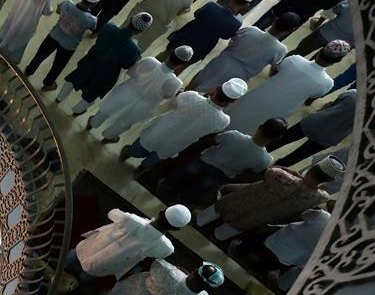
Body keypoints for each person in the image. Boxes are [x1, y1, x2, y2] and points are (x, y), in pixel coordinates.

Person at [199, 157, 342, 239]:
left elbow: (272, 169)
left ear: (312, 167)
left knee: (215, 210)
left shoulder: (280, 175)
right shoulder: (320, 197)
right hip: (258, 217)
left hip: (239, 201)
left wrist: (293, 173)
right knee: (231, 229)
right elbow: (310, 189)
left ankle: (198, 222)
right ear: (328, 181)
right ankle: (215, 238)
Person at [121, 79, 247, 169]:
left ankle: (127, 155)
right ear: (233, 102)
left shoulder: (192, 96)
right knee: (157, 158)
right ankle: (141, 169)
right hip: (177, 143)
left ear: (217, 88)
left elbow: (177, 100)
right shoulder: (223, 121)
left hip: (160, 131)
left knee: (141, 147)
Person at [156, 118, 287, 204]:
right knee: (200, 188)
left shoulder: (234, 135)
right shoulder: (265, 159)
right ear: (277, 138)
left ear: (260, 126)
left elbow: (212, 141)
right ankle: (180, 200)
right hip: (222, 174)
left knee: (184, 172)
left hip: (205, 160)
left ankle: (165, 186)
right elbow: (249, 175)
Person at [225, 42, 343, 134]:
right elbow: (311, 97)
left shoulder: (295, 59)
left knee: (234, 116)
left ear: (320, 51)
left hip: (261, 95)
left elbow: (276, 70)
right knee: (251, 129)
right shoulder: (327, 83)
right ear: (337, 61)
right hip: (280, 110)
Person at [66, 204, 191, 282]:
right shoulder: (166, 248)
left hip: (91, 247)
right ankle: (73, 283)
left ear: (161, 211)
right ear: (176, 229)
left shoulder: (131, 219)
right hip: (107, 265)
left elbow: (112, 213)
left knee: (74, 256)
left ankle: (58, 267)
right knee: (88, 274)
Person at [56, 11, 151, 115]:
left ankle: (59, 98)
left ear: (131, 19)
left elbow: (99, 38)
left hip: (90, 62)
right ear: (141, 31)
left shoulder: (109, 27)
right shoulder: (134, 50)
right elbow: (126, 65)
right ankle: (77, 111)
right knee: (91, 95)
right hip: (106, 75)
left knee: (74, 79)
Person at [88, 46, 191, 141]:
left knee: (107, 108)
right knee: (124, 123)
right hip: (144, 105)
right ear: (182, 64)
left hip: (127, 91)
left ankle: (93, 123)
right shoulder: (176, 83)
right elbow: (167, 96)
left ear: (171, 53)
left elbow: (130, 72)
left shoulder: (150, 61)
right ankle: (108, 137)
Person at [25, 0, 103, 91]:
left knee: (40, 54)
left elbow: (58, 10)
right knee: (57, 66)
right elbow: (92, 28)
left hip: (54, 34)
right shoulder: (91, 20)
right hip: (69, 46)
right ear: (95, 4)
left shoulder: (67, 3)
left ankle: (29, 70)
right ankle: (48, 84)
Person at [165, 0, 258, 64]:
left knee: (166, 54)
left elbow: (197, 14)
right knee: (184, 64)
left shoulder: (211, 5)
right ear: (246, 5)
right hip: (202, 47)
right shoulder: (236, 23)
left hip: (185, 35)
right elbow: (225, 36)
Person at [190, 21, 287, 93]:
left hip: (223, 61)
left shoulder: (251, 30)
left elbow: (233, 39)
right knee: (220, 92)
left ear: (275, 21)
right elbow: (273, 66)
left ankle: (185, 91)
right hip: (241, 75)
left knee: (201, 78)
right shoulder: (280, 49)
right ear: (289, 31)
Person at [270, 89, 356, 167]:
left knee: (282, 139)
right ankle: (274, 170)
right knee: (298, 156)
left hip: (315, 122)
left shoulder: (352, 93)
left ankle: (260, 154)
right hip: (329, 137)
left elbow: (331, 104)